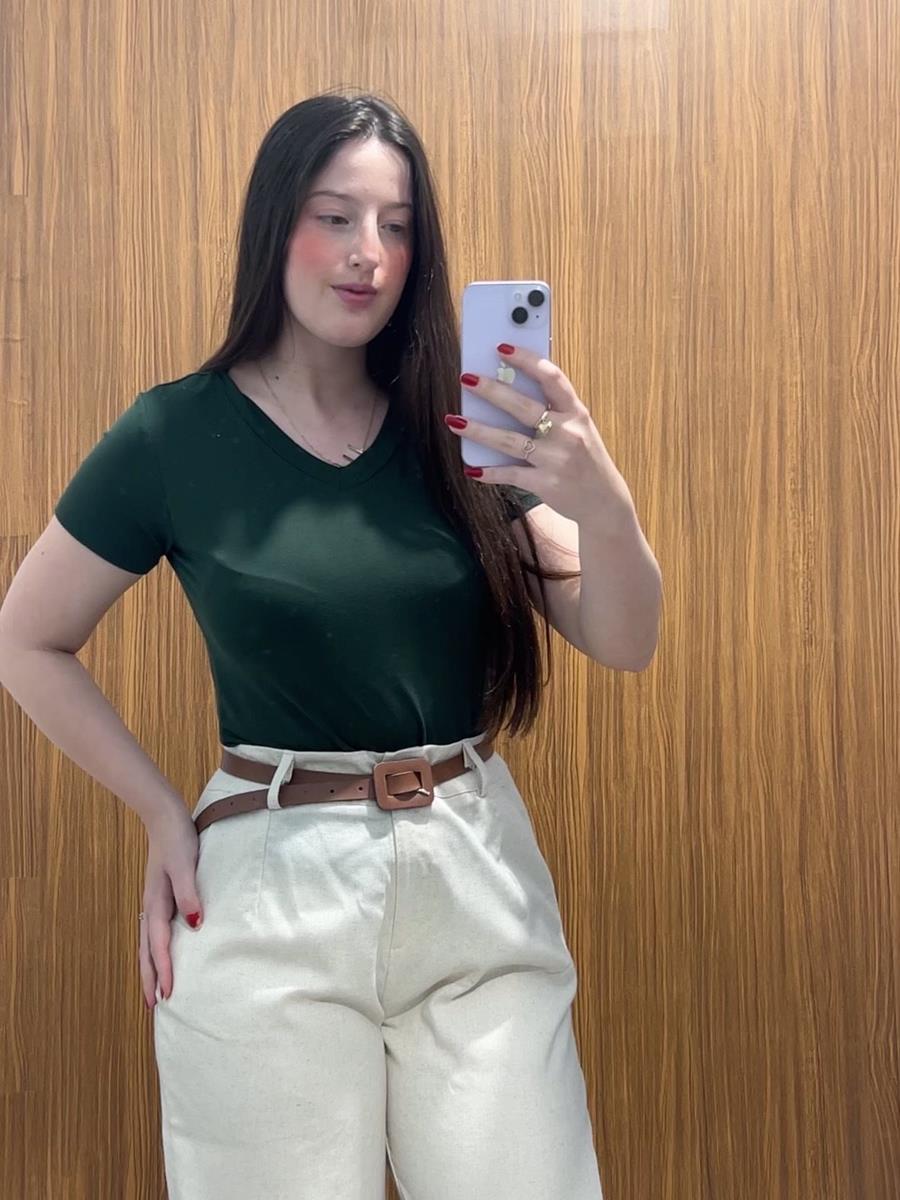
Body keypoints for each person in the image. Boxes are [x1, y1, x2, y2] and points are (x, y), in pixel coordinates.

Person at [4, 90, 604, 1198]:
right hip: (268, 878)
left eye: (397, 225)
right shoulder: (172, 433)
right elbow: (28, 639)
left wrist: (598, 493)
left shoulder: (461, 428)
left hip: (476, 873)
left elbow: (624, 633)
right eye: (335, 216)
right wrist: (159, 810)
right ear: (275, 222)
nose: (369, 252)